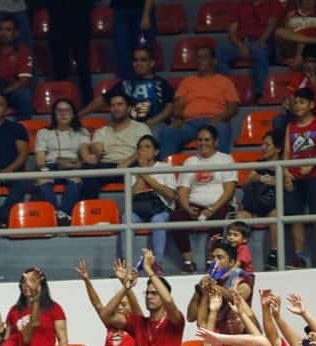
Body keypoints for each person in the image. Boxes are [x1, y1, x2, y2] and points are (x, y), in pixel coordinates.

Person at [168, 126, 237, 273]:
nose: (202, 143)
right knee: (175, 218)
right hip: (195, 205)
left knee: (219, 217)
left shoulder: (226, 160)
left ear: (216, 142)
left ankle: (212, 260)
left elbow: (229, 191)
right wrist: (187, 208)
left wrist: (211, 209)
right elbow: (183, 190)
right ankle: (188, 260)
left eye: (207, 140)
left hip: (219, 204)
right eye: (199, 140)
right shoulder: (190, 162)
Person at [158, 47, 239, 159]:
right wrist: (178, 118)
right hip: (190, 123)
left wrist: (220, 117)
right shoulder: (187, 82)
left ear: (214, 61)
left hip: (214, 122)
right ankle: (166, 173)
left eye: (205, 57)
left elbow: (233, 107)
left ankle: (222, 170)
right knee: (168, 132)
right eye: (198, 57)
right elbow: (178, 106)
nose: (201, 60)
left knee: (222, 128)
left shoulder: (224, 81)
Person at [283, 87, 316, 268]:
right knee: (296, 217)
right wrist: (286, 172)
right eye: (295, 102)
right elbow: (287, 152)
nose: (297, 106)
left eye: (302, 102)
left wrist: (312, 163)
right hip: (295, 177)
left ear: (311, 104)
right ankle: (298, 256)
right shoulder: (291, 127)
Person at [123, 250, 185, 346]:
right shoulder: (139, 323)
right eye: (148, 293)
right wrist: (125, 285)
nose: (149, 296)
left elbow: (169, 301)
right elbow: (105, 315)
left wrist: (149, 270)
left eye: (155, 293)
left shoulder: (175, 322)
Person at [81, 45, 174, 134]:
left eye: (143, 60)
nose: (138, 63)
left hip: (154, 126)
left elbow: (169, 108)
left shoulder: (161, 84)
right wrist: (80, 115)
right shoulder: (125, 83)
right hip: (128, 127)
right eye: (135, 60)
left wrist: (152, 122)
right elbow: (102, 100)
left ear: (152, 63)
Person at [123, 133, 176, 271]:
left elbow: (171, 194)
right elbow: (130, 196)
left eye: (147, 147)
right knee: (126, 218)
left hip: (160, 209)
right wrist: (142, 170)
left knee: (158, 220)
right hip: (139, 210)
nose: (143, 150)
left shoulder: (165, 168)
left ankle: (157, 263)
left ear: (156, 151)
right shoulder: (133, 171)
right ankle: (128, 266)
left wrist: (146, 175)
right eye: (140, 148)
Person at [33, 99, 90, 226]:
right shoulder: (43, 133)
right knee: (42, 179)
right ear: (54, 114)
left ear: (73, 113)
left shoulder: (82, 132)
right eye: (59, 110)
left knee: (75, 179)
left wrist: (78, 163)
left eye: (67, 110)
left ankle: (62, 214)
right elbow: (40, 159)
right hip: (50, 165)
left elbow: (84, 154)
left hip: (71, 166)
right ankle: (56, 214)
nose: (63, 114)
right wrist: (43, 170)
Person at [80, 92, 145, 199]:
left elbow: (146, 149)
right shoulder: (102, 131)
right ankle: (93, 211)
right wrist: (96, 153)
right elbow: (97, 150)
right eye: (112, 105)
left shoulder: (141, 128)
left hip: (132, 165)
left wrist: (127, 162)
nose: (116, 108)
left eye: (120, 104)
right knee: (87, 172)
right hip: (108, 166)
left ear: (129, 108)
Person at [237, 130, 285, 271]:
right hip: (254, 207)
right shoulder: (258, 164)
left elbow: (284, 184)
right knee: (240, 217)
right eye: (262, 144)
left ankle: (274, 255)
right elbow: (246, 185)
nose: (263, 147)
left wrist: (263, 179)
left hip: (272, 207)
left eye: (267, 144)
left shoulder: (283, 165)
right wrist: (258, 179)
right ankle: (240, 258)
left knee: (276, 215)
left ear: (278, 148)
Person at [216, 0, 279, 101]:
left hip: (263, 41)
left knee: (260, 52)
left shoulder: (273, 3)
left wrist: (258, 43)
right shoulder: (240, 5)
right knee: (220, 51)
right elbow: (232, 32)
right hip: (243, 42)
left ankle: (258, 93)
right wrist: (240, 45)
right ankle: (226, 88)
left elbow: (271, 26)